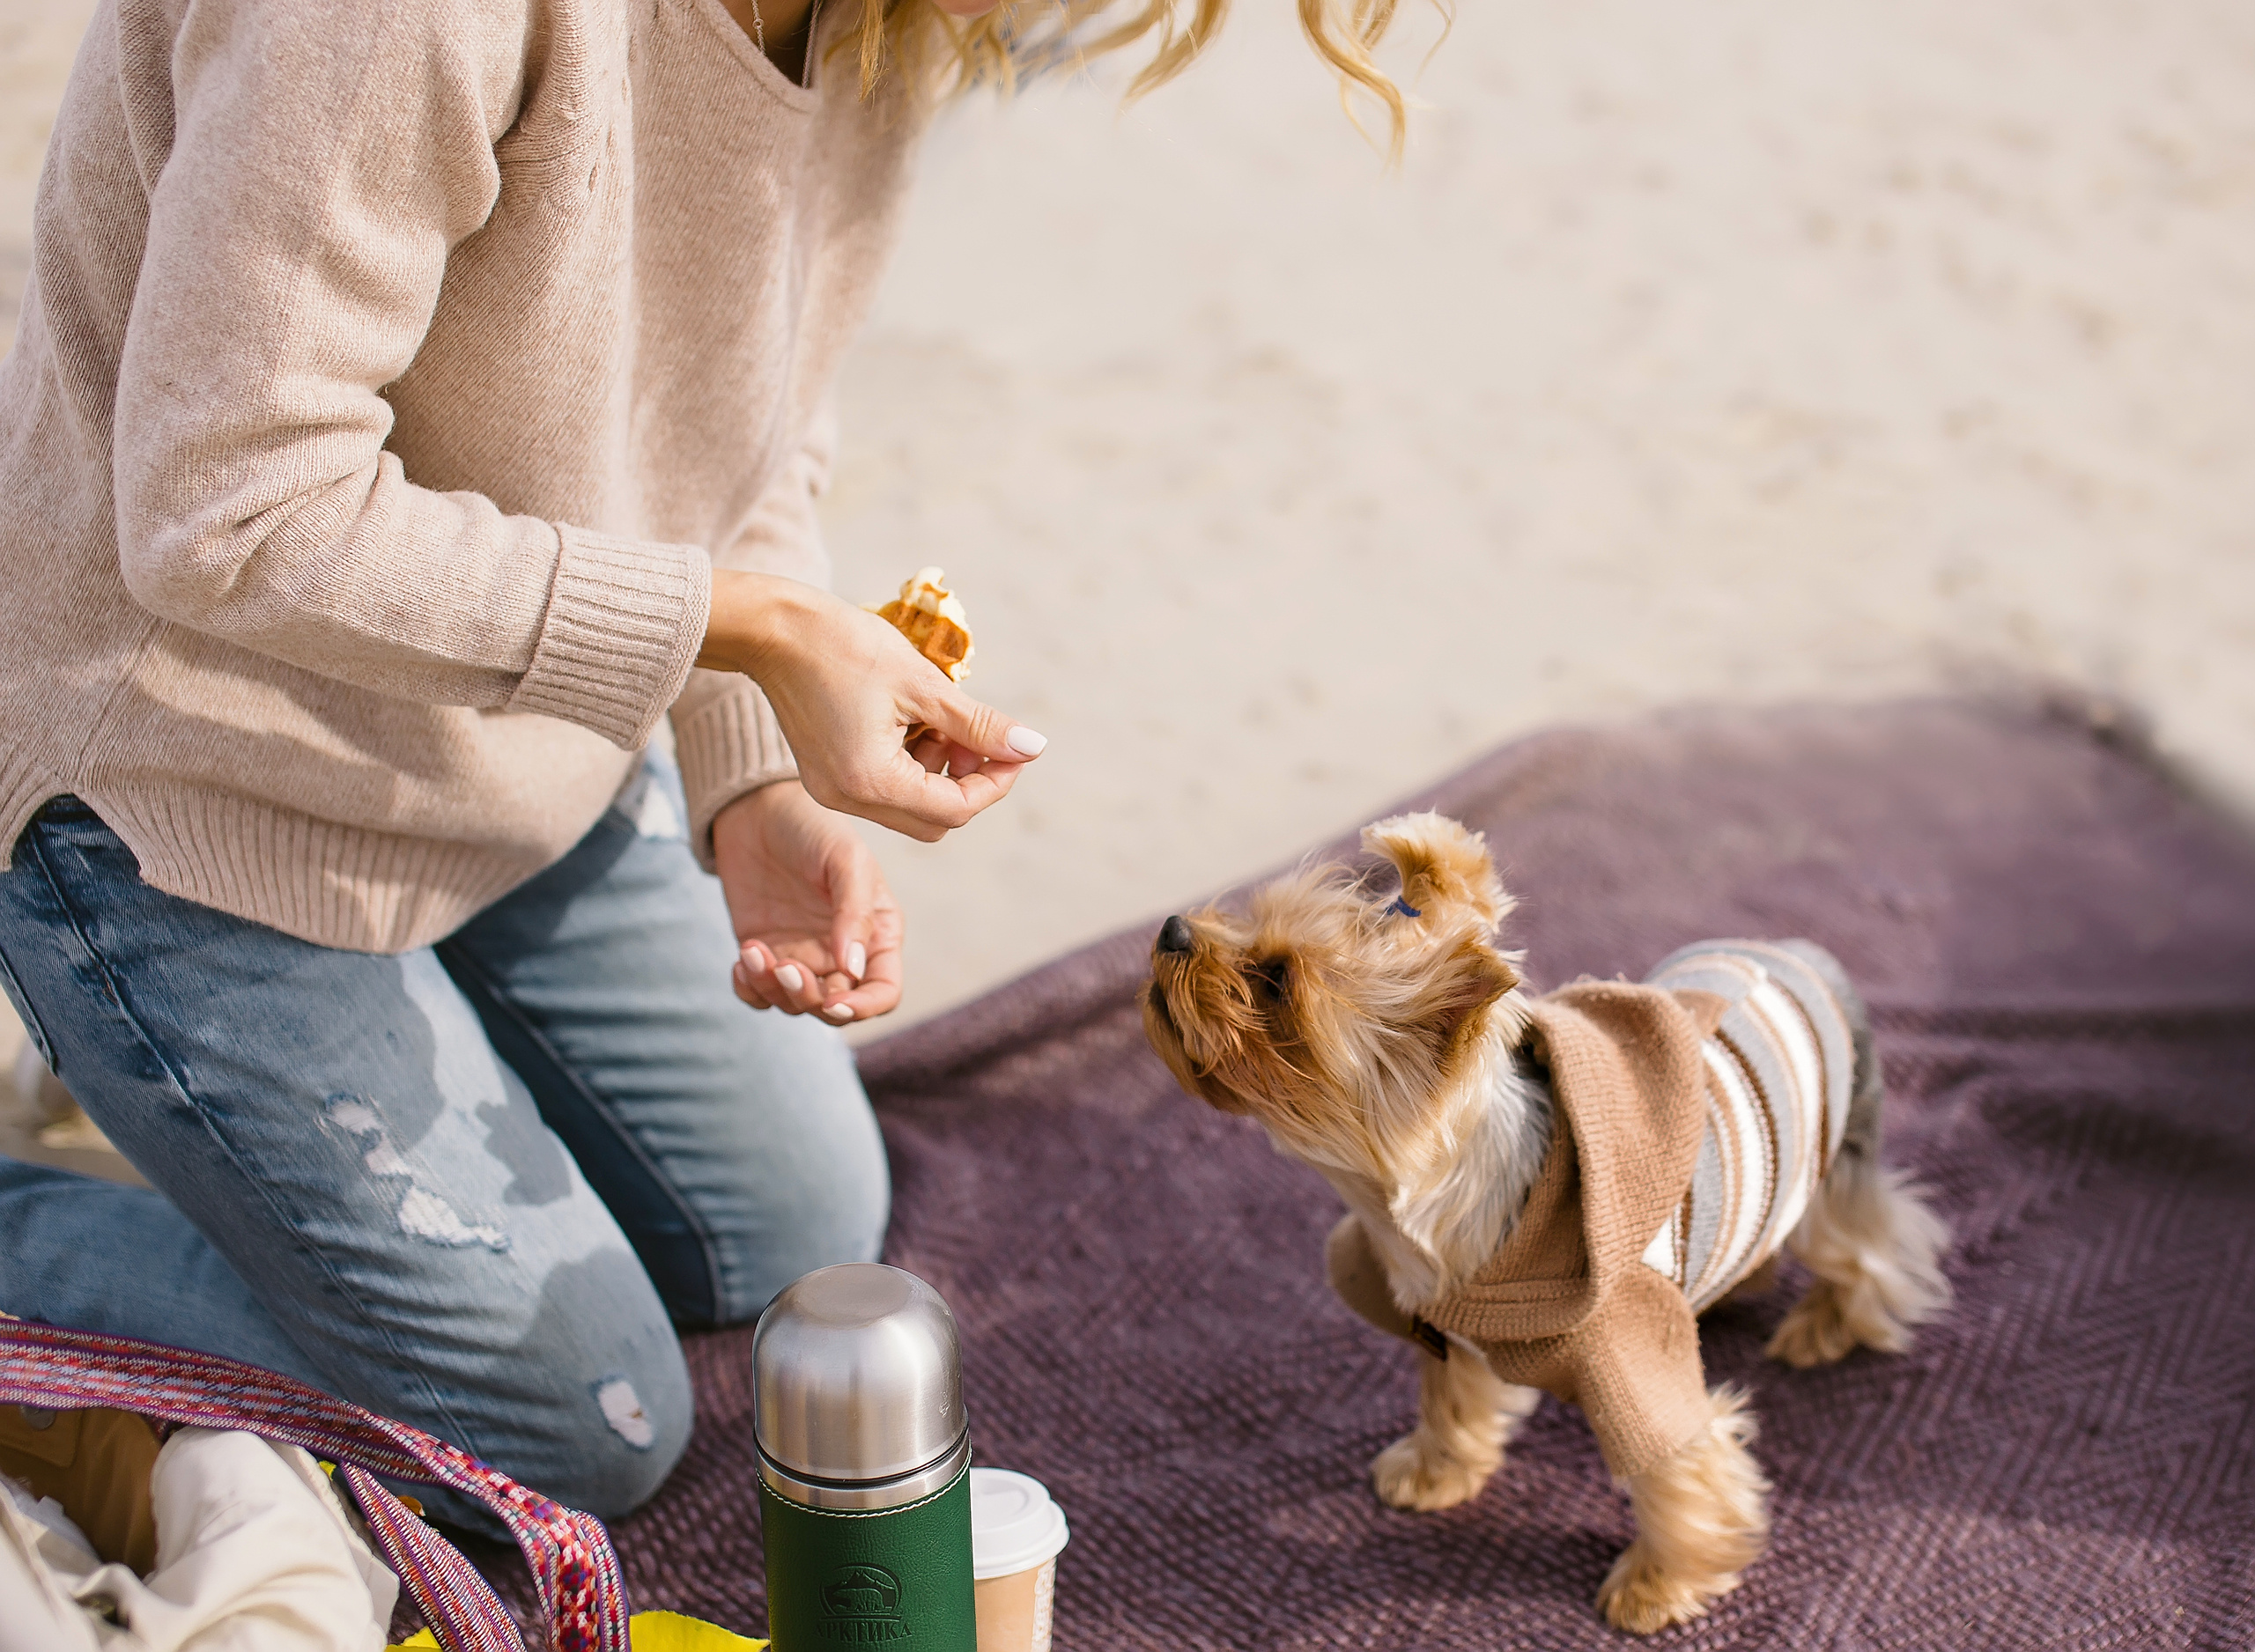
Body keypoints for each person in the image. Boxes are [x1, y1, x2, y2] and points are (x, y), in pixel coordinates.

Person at [0, 0, 1410, 1526]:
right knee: (568, 1429)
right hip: (189, 796)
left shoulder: (883, 21)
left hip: (523, 758)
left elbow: (744, 441)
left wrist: (754, 779)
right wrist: (766, 635)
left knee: (791, 1225)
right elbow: (230, 509)